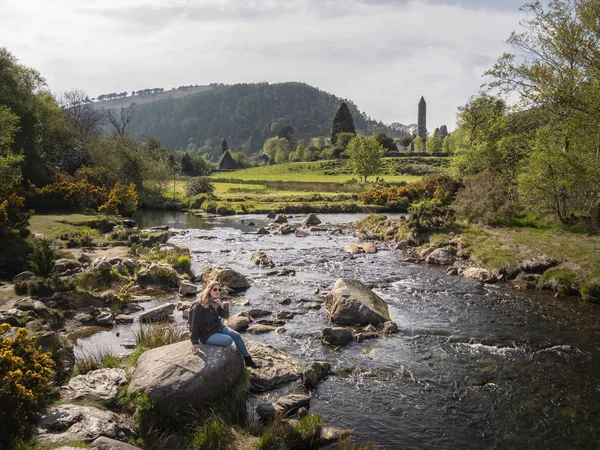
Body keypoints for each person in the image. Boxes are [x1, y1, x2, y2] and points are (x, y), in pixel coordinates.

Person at [189, 280, 261, 368]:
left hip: (218, 328)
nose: (217, 292)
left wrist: (222, 306)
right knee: (229, 340)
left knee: (237, 336)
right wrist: (195, 343)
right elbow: (194, 324)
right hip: (206, 334)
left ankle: (248, 360)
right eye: (215, 289)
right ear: (209, 290)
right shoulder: (200, 305)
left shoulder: (216, 301)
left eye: (219, 290)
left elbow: (226, 316)